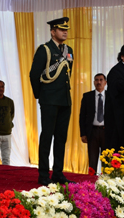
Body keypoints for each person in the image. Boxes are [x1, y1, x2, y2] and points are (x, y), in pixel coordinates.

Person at [30, 17, 74, 185]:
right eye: (61, 29)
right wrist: (40, 95)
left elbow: (68, 74)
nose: (65, 32)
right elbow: (34, 74)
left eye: (66, 30)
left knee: (61, 137)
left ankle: (58, 173)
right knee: (47, 137)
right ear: (53, 31)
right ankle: (43, 175)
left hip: (64, 99)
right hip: (49, 99)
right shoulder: (44, 49)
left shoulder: (68, 50)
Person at [79, 73, 107, 171]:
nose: (99, 82)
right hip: (92, 132)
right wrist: (83, 133)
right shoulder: (87, 96)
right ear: (94, 82)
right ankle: (91, 182)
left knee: (106, 160)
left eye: (101, 80)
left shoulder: (111, 96)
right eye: (96, 80)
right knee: (92, 160)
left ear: (105, 82)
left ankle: (106, 182)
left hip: (106, 132)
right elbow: (82, 116)